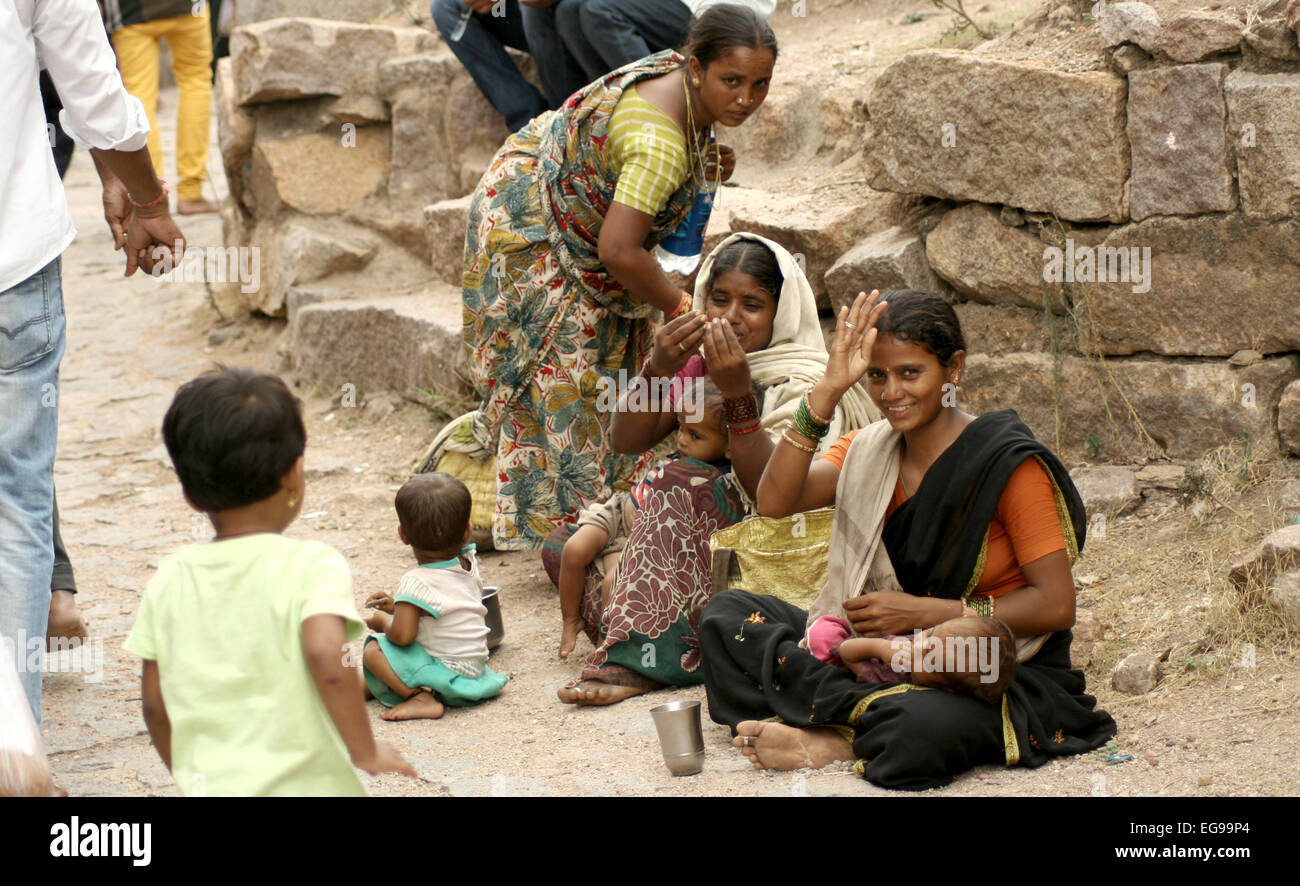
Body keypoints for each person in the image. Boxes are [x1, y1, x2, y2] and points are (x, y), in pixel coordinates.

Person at [699, 289, 1117, 790]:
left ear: (953, 369)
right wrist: (828, 392)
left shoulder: (1007, 464)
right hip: (873, 652)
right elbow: (774, 502)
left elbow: (1055, 605)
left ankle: (841, 735)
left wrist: (924, 613)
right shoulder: (868, 448)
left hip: (994, 669)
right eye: (877, 375)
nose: (891, 392)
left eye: (910, 373)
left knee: (921, 729)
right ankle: (865, 715)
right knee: (725, 617)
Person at [434, 5, 778, 551]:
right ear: (694, 67)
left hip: (561, 198)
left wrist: (706, 162)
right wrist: (682, 305)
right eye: (731, 81)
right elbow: (618, 250)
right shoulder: (661, 145)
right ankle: (566, 539)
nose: (745, 98)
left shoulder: (678, 87)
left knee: (610, 373)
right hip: (533, 228)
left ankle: (600, 519)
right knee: (565, 382)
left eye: (760, 84)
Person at [547, 233, 878, 705]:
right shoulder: (698, 366)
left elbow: (774, 500)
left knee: (679, 480)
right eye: (720, 299)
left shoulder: (803, 379)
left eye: (753, 304)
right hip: (688, 544)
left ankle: (636, 656)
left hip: (763, 549)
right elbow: (626, 440)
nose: (731, 317)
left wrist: (740, 395)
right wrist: (659, 367)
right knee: (565, 546)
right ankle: (669, 628)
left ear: (781, 312)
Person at [3, 0, 184, 725]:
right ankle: (14, 735)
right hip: (12, 267)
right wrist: (145, 195)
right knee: (14, 496)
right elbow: (93, 91)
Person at [123, 368, 416, 795]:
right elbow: (327, 657)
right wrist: (364, 750)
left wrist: (190, 775)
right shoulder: (312, 565)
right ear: (294, 474)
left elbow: (154, 701)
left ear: (188, 493)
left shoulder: (169, 579)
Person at [557, 375, 736, 659]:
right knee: (572, 550)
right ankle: (570, 620)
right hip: (619, 510)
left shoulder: (717, 480)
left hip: (642, 540)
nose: (682, 440)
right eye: (682, 429)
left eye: (695, 435)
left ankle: (613, 649)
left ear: (729, 445)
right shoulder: (686, 452)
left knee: (611, 585)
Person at [361, 473, 509, 721]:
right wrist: (396, 607)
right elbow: (438, 612)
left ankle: (419, 697)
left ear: (402, 535)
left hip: (447, 673)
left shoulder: (415, 581)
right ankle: (347, 689)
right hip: (475, 670)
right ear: (467, 532)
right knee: (368, 676)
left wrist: (383, 621)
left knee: (374, 650)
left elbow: (402, 636)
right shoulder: (467, 562)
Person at [104, 0, 219, 214]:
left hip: (130, 11)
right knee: (196, 81)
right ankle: (191, 191)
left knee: (139, 96)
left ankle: (152, 193)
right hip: (187, 7)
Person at [431, 0, 587, 132]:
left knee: (532, 6)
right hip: (509, 12)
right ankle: (531, 127)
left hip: (562, 13)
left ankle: (569, 119)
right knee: (445, 6)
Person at [806, 614, 1017, 704]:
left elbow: (847, 653)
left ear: (946, 689)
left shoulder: (896, 678)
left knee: (824, 634)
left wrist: (880, 648)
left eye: (928, 660)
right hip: (859, 637)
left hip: (847, 656)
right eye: (931, 634)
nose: (919, 646)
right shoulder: (927, 644)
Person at [558, 0, 777, 84]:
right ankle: (599, 113)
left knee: (600, 11)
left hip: (717, 8)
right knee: (568, 11)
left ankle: (657, 107)